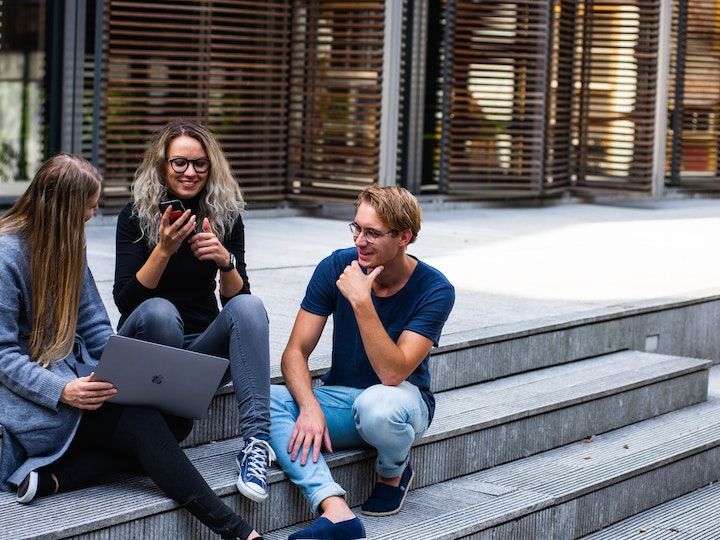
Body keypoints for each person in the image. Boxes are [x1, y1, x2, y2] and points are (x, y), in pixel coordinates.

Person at [0, 154, 262, 539]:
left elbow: (94, 325)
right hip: (40, 400)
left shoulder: (68, 245)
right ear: (63, 207)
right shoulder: (7, 256)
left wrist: (122, 369)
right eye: (88, 207)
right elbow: (4, 354)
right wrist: (63, 390)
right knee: (144, 425)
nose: (92, 215)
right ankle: (237, 530)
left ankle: (60, 477)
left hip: (81, 382)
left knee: (175, 422)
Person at [269, 186, 455, 539]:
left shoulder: (436, 289)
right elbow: (294, 352)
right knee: (265, 399)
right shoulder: (337, 265)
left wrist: (362, 301)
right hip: (341, 399)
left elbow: (393, 372)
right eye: (356, 228)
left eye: (372, 233)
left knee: (378, 406)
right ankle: (334, 509)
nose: (360, 240)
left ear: (404, 237)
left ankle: (392, 470)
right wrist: (309, 407)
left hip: (400, 401)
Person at [113, 119, 273, 503]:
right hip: (148, 345)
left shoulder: (225, 215)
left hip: (199, 353)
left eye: (200, 164)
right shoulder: (134, 216)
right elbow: (126, 301)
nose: (190, 172)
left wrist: (225, 261)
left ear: (211, 166)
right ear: (162, 165)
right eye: (179, 163)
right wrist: (164, 249)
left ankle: (256, 445)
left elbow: (237, 305)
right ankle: (159, 428)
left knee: (251, 307)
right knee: (161, 312)